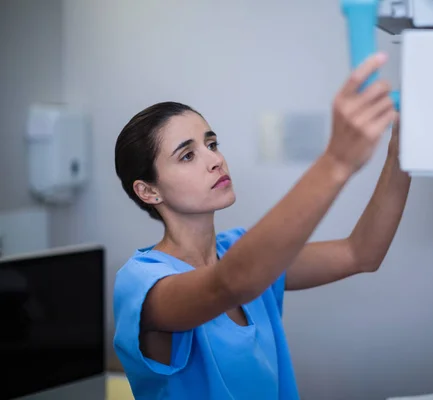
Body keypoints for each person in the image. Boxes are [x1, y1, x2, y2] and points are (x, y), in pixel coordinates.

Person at [112, 52, 411, 400]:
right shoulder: (141, 283)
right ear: (148, 191)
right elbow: (231, 284)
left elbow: (361, 253)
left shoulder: (239, 250)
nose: (215, 160)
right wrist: (338, 161)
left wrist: (402, 150)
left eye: (212, 144)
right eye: (187, 155)